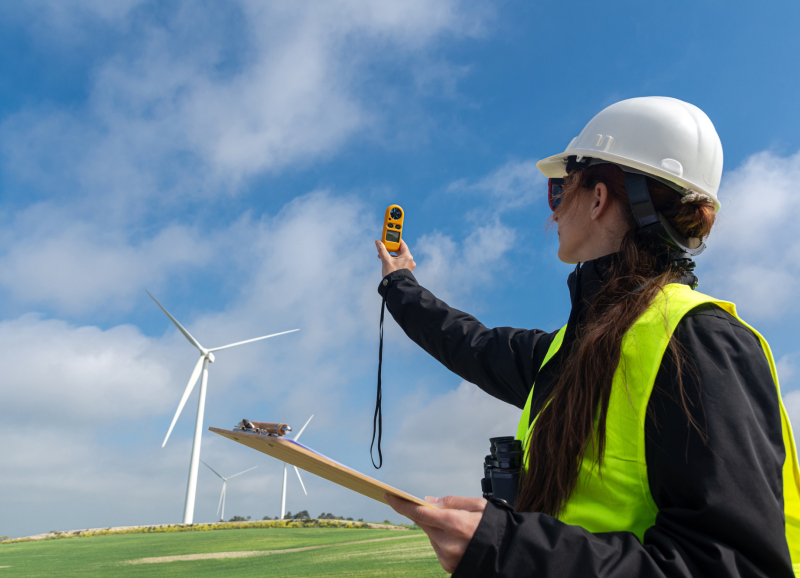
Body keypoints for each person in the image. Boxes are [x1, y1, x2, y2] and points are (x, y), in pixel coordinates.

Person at [374, 97, 800, 577]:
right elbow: (469, 343)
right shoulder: (570, 351)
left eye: (559, 190)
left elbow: (737, 567)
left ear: (598, 199)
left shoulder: (699, 342)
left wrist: (510, 549)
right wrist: (399, 282)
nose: (554, 214)